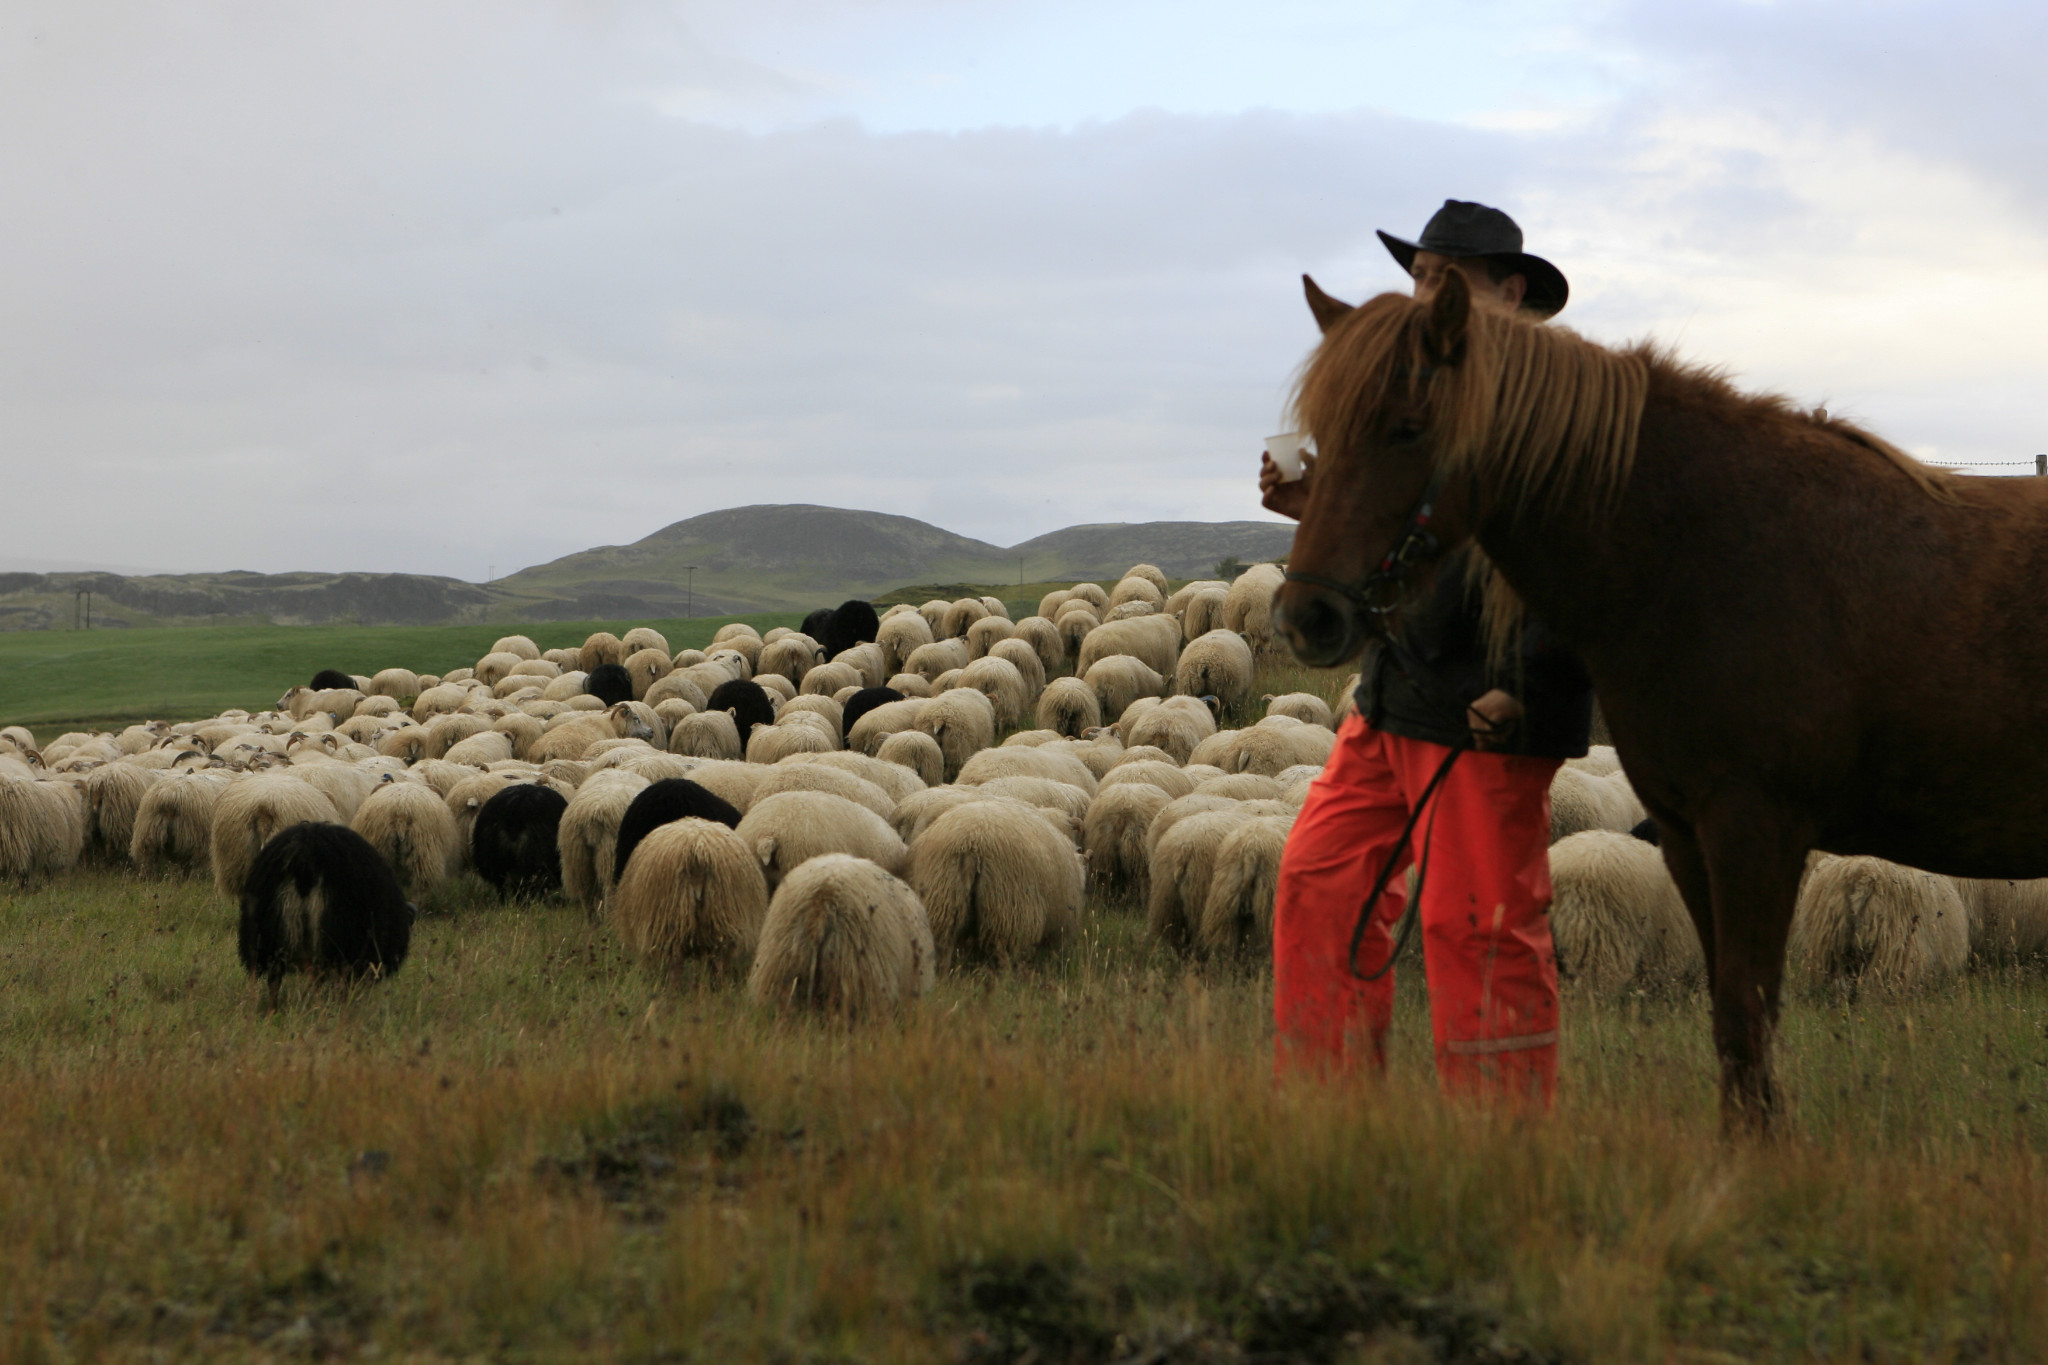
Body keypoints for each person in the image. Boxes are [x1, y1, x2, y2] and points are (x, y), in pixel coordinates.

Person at [1260, 199, 1592, 1109]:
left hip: (1486, 715)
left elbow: (1593, 562)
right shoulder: (1428, 398)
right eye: (1418, 277)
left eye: (1445, 281)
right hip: (1392, 694)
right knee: (1318, 881)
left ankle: (1499, 1144)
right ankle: (1328, 1110)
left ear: (1509, 290)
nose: (1423, 296)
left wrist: (1527, 683)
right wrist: (1313, 507)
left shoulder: (1553, 411)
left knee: (1476, 924)